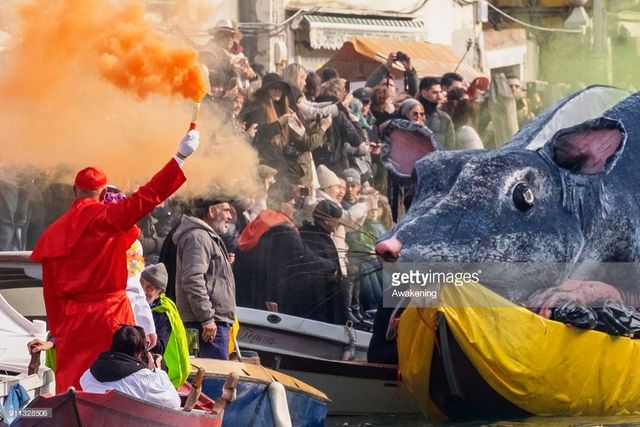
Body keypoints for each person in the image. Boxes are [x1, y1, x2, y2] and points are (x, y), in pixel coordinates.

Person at [30, 131, 199, 393]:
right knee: (117, 389)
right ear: (103, 192)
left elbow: (51, 295)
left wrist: (58, 332)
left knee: (74, 388)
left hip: (73, 324)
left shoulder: (52, 233)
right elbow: (148, 196)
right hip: (112, 317)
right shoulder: (109, 218)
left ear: (75, 191)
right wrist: (180, 158)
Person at [173, 197, 236, 360]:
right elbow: (192, 279)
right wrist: (206, 317)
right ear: (211, 211)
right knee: (211, 379)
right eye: (226, 210)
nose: (230, 216)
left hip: (210, 322)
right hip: (206, 325)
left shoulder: (204, 237)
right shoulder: (199, 237)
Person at [80, 325, 180, 409]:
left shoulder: (88, 375)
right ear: (140, 352)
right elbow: (174, 403)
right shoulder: (145, 379)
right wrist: (157, 372)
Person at [140, 263, 190, 388]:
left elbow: (160, 346)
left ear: (159, 292)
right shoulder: (130, 300)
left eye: (150, 288)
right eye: (141, 283)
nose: (143, 290)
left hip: (149, 364)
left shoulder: (163, 313)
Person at [299, 200, 345, 323]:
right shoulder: (311, 237)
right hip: (319, 297)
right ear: (326, 220)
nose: (339, 224)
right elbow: (313, 264)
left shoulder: (323, 235)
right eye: (336, 220)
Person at [417, 77, 455, 150]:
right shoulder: (414, 115)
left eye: (440, 92)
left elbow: (450, 146)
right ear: (424, 93)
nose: (439, 96)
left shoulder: (445, 118)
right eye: (434, 93)